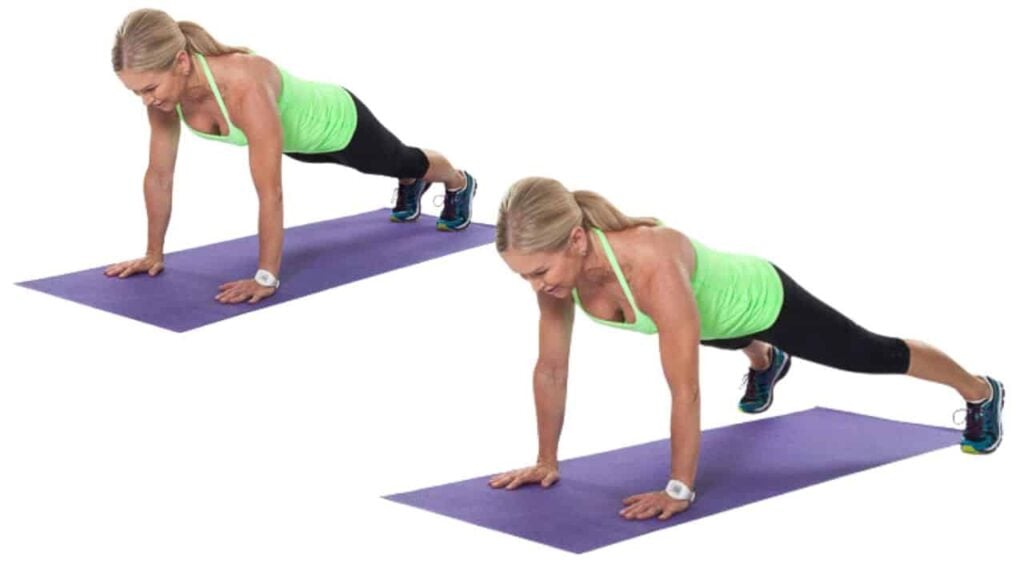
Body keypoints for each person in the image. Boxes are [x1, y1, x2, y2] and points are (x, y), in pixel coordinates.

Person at [488, 176, 1005, 521]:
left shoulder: (652, 265)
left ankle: (981, 390)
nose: (536, 286)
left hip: (764, 302)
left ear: (577, 241)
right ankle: (765, 360)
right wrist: (545, 460)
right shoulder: (558, 282)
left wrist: (678, 488)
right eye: (523, 275)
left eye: (539, 272)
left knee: (873, 354)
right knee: (718, 336)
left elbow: (685, 389)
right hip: (710, 321)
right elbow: (551, 370)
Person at [104, 8, 477, 304]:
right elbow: (159, 175)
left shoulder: (244, 84)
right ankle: (410, 185)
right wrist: (153, 254)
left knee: (403, 160)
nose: (146, 99)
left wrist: (265, 276)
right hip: (298, 145)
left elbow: (271, 193)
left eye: (149, 87)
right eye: (136, 92)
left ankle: (458, 182)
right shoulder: (163, 98)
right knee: (393, 168)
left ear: (181, 62)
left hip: (341, 126)